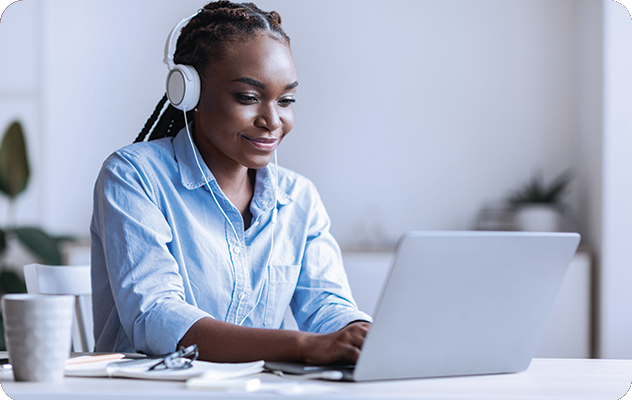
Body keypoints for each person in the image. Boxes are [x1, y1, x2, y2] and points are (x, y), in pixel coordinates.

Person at [91, 0, 372, 364]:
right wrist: (303, 347)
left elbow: (327, 306)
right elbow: (158, 317)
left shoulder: (298, 198)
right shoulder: (133, 176)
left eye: (286, 100)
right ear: (189, 93)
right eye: (248, 98)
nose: (272, 120)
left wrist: (363, 336)